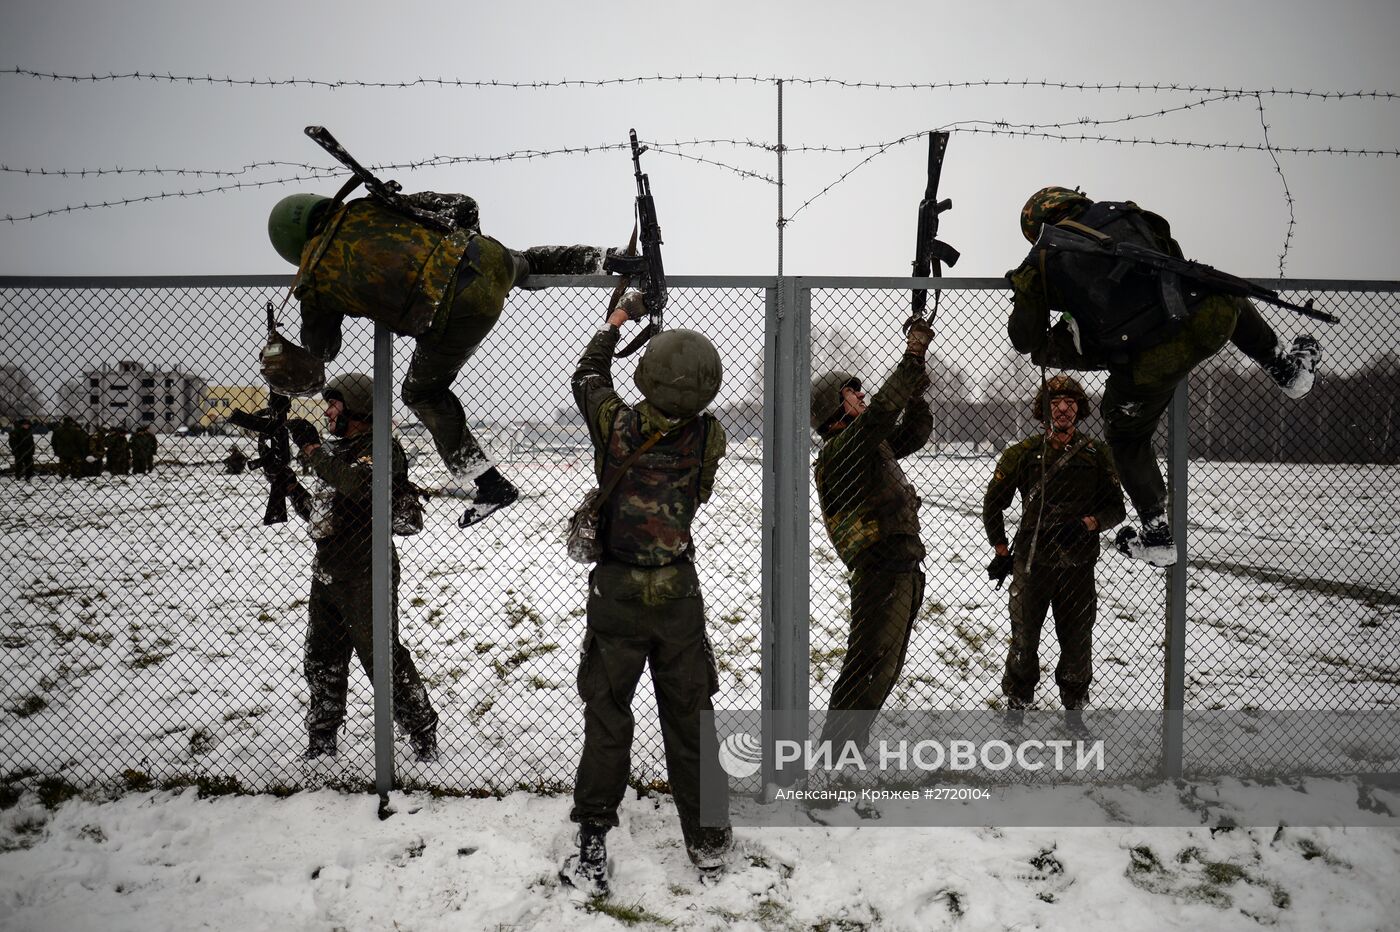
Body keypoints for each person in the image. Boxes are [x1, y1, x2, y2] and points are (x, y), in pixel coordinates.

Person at [1007, 186, 1322, 566]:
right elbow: (1172, 255)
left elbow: (1025, 339)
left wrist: (1028, 289)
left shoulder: (1040, 260)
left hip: (1146, 360)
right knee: (1221, 291)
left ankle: (1157, 534)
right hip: (1204, 319)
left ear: (1035, 226)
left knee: (1125, 436)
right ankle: (1285, 369)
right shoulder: (1122, 213)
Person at [268, 189, 611, 528]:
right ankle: (612, 260)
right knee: (530, 263)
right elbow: (463, 205)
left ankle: (489, 484)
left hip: (457, 308)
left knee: (422, 394)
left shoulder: (316, 276)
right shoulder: (368, 206)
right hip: (480, 256)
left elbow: (324, 350)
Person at [562, 293, 731, 896]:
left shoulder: (616, 425)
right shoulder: (709, 436)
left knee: (608, 714)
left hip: (617, 590)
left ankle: (592, 831)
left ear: (647, 375)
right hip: (678, 592)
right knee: (690, 714)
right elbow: (701, 494)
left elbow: (588, 376)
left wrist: (616, 325)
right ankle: (708, 835)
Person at [274, 372, 439, 762]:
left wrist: (313, 451)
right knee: (322, 658)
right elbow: (322, 516)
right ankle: (322, 737)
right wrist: (291, 487)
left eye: (334, 405)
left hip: (368, 572)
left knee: (381, 657)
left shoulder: (383, 449)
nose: (328, 412)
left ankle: (422, 732)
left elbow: (359, 486)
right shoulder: (340, 451)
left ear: (357, 409)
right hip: (329, 572)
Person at [809, 319, 934, 754]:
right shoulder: (841, 450)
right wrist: (912, 356)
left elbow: (913, 433)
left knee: (884, 666)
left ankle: (847, 749)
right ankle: (835, 756)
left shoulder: (867, 445)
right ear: (834, 408)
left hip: (900, 566)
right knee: (867, 664)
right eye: (851, 391)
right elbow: (882, 411)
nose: (859, 394)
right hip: (878, 569)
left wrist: (916, 394)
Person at [982, 375, 1126, 735]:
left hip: (1078, 567)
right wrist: (1001, 550)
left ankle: (1073, 715)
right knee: (1023, 640)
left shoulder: (1096, 454)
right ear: (1043, 408)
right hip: (1032, 566)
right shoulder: (1022, 453)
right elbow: (993, 504)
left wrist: (1088, 524)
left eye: (1070, 402)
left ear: (1080, 408)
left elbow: (1116, 508)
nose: (1063, 408)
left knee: (1077, 641)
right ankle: (1016, 710)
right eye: (1055, 401)